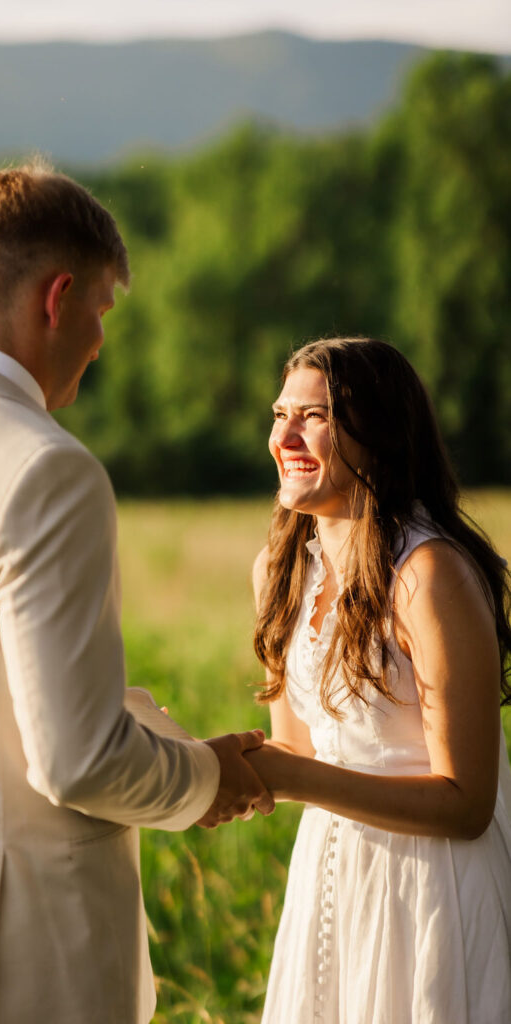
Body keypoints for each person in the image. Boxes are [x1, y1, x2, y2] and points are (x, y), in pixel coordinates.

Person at [0, 162, 274, 1024]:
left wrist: (132, 719)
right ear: (58, 296)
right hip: (20, 968)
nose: (101, 343)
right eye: (102, 312)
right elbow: (76, 762)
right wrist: (203, 775)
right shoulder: (47, 470)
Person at [244, 337, 511, 1023]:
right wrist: (201, 767)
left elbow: (466, 803)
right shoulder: (278, 573)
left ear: (380, 434)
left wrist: (292, 780)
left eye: (315, 415)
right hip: (331, 877)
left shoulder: (429, 575)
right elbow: (296, 754)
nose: (286, 435)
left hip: (430, 889)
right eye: (281, 414)